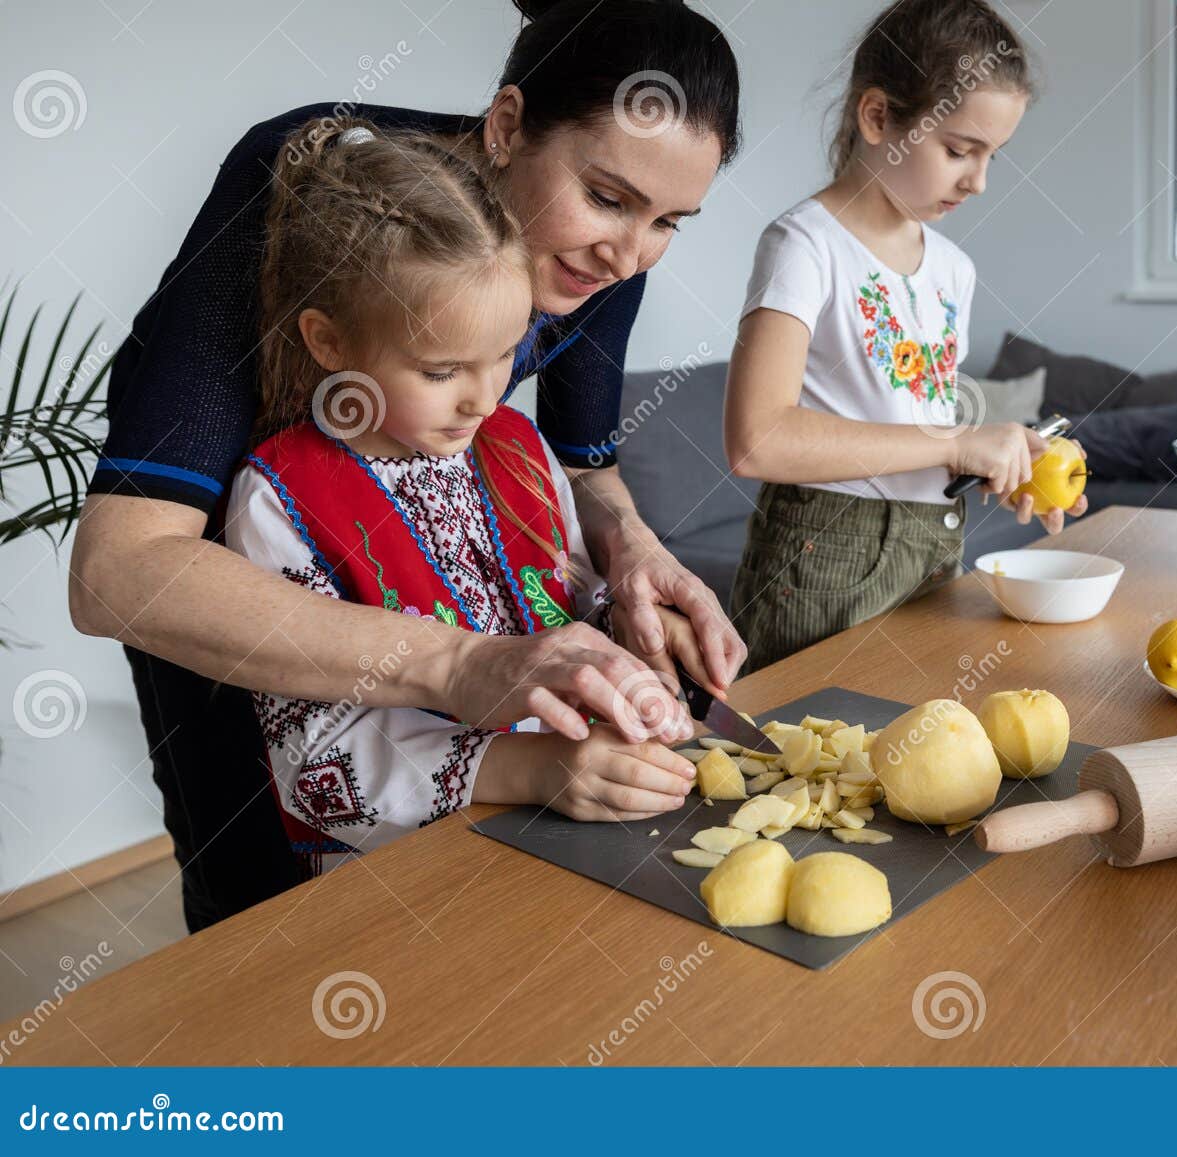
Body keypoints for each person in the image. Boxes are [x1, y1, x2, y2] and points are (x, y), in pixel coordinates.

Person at [68, 0, 744, 928]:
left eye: (672, 221)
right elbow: (121, 572)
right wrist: (463, 664)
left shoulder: (605, 256)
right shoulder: (300, 192)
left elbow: (586, 474)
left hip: (453, 657)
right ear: (506, 126)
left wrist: (633, 557)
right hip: (232, 595)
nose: (630, 256)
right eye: (608, 198)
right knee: (268, 902)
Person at [230, 118, 704, 877]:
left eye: (505, 354)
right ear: (330, 341)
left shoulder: (515, 444)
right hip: (410, 875)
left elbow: (572, 608)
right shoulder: (280, 500)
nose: (484, 399)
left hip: (581, 832)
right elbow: (316, 766)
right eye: (444, 370)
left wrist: (634, 671)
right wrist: (535, 771)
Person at [723, 0, 1086, 673]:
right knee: (805, 760)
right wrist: (953, 440)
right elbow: (757, 438)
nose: (978, 181)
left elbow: (905, 427)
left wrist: (990, 464)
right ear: (878, 117)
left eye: (991, 157)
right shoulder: (805, 246)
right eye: (958, 150)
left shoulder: (955, 269)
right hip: (824, 559)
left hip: (934, 544)